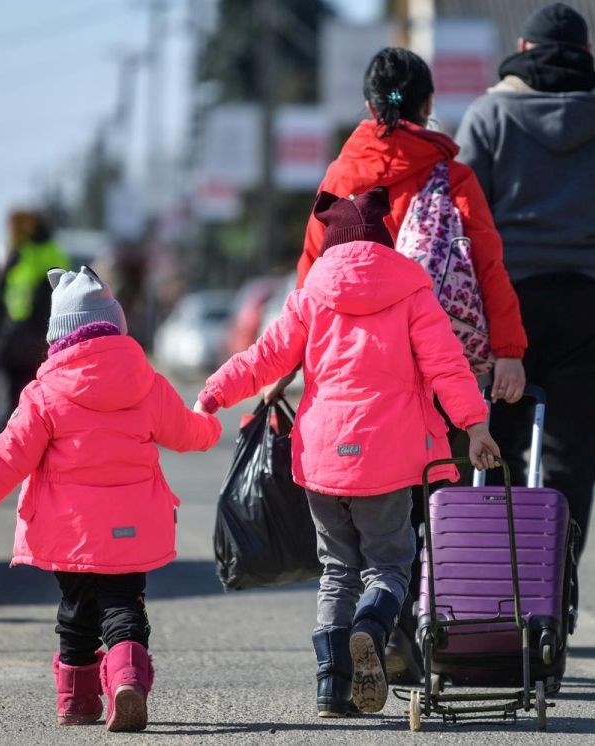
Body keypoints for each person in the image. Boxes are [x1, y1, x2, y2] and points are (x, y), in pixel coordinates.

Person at [197, 187, 501, 719]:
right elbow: (446, 367)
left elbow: (264, 357)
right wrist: (474, 427)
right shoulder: (412, 292)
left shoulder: (311, 296)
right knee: (390, 563)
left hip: (323, 458)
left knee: (336, 568)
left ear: (332, 246)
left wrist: (211, 395)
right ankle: (371, 627)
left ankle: (330, 687)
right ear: (383, 243)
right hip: (387, 460)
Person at [293, 46, 528, 685]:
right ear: (427, 104)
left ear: (369, 105)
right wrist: (508, 349)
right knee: (438, 503)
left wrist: (304, 371)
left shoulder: (340, 179)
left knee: (369, 525)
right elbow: (487, 265)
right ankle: (430, 634)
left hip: (362, 382)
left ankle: (380, 640)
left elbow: (310, 283)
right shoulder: (451, 176)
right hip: (442, 362)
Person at [0, 266, 221, 732]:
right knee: (124, 606)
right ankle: (127, 682)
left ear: (58, 337)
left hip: (69, 532)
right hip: (132, 529)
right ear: (115, 326)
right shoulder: (147, 383)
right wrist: (212, 424)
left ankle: (77, 702)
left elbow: (10, 454)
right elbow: (187, 433)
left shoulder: (44, 393)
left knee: (75, 613)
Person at [455, 2, 595, 541]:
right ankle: (555, 585)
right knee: (571, 453)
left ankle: (493, 579)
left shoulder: (489, 115)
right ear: (589, 54)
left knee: (494, 445)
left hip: (506, 306)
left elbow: (460, 218)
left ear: (523, 51)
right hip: (589, 300)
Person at [0, 210, 69, 412]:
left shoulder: (22, 252)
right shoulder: (55, 250)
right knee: (36, 378)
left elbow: (0, 285)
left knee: (16, 378)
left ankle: (16, 419)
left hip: (21, 325)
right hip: (46, 325)